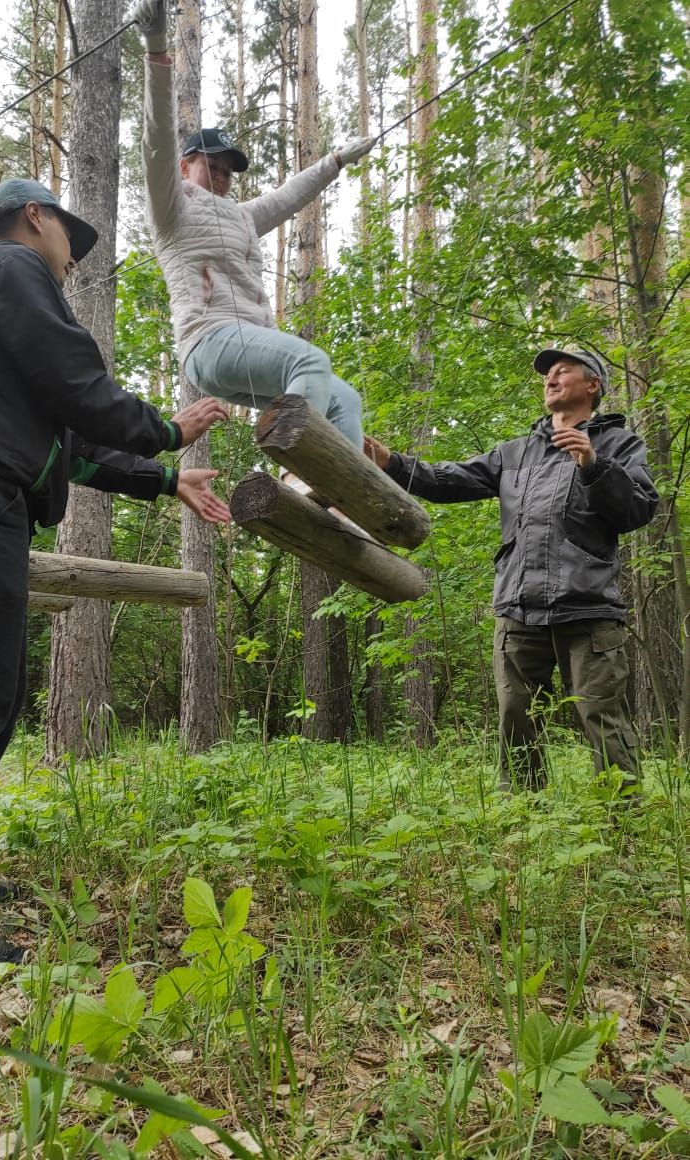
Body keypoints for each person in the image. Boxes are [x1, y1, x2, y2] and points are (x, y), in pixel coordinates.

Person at [0, 178, 231, 979]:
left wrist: (167, 479)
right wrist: (167, 428)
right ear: (36, 217)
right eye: (70, 239)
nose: (70, 261)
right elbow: (77, 384)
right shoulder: (8, 268)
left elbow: (68, 442)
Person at [365, 348, 659, 792]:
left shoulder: (619, 444)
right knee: (516, 717)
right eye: (547, 374)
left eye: (563, 372)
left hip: (589, 609)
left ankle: (624, 820)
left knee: (602, 716)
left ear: (593, 385)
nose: (551, 379)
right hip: (518, 608)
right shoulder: (515, 452)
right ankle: (523, 812)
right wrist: (392, 462)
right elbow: (447, 481)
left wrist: (593, 464)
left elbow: (638, 511)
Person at [132, 0, 375, 454]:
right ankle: (296, 466)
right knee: (309, 359)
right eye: (212, 166)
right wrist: (157, 54)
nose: (222, 177)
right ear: (185, 167)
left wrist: (335, 161)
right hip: (210, 341)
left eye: (228, 171)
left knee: (343, 397)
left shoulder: (241, 215)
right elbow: (156, 142)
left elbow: (288, 197)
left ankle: (337, 504)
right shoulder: (172, 206)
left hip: (243, 354)